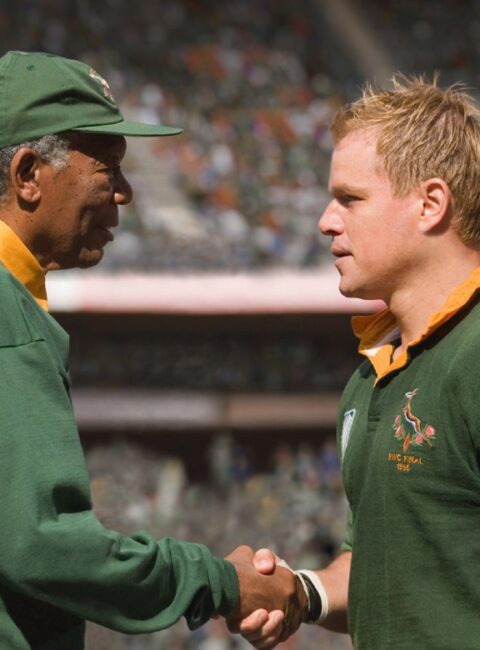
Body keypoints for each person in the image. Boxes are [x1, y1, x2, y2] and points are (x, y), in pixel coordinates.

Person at [0, 50, 307, 650]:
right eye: (107, 168)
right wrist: (220, 581)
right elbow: (44, 545)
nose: (125, 193)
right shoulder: (9, 318)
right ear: (28, 175)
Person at [235, 75, 480, 649]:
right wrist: (300, 592)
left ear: (430, 205)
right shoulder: (371, 375)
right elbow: (381, 563)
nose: (326, 220)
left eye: (350, 199)